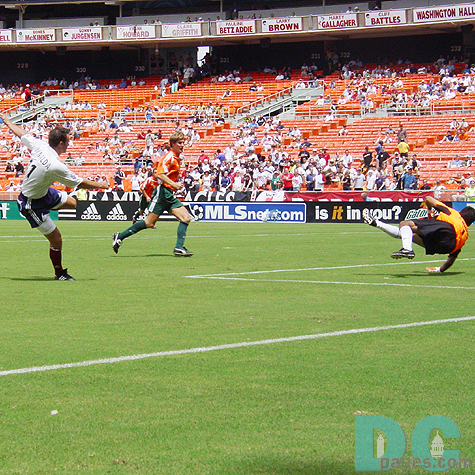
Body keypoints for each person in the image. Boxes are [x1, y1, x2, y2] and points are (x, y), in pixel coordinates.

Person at [0, 112, 109, 280]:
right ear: (61, 143)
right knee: (57, 240)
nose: (69, 144)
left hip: (44, 193)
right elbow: (80, 183)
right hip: (31, 204)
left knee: (72, 203)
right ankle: (59, 273)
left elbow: (22, 133)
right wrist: (101, 185)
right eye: (68, 141)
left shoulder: (40, 145)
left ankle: (46, 210)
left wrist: (8, 121)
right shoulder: (54, 165)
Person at [112, 131, 193, 257]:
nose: (182, 145)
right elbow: (159, 174)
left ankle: (179, 247)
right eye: (179, 143)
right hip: (162, 194)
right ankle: (120, 236)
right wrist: (174, 184)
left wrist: (175, 186)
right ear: (172, 144)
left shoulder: (177, 158)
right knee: (149, 223)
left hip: (169, 194)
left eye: (183, 143)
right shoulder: (169, 157)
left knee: (185, 218)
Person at [362, 197, 475, 272]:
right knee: (408, 235)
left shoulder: (454, 214)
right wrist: (439, 269)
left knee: (405, 224)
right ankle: (376, 223)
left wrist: (429, 210)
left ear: (461, 212)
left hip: (446, 229)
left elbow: (428, 199)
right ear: (469, 223)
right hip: (446, 246)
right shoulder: (464, 234)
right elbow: (451, 260)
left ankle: (407, 249)